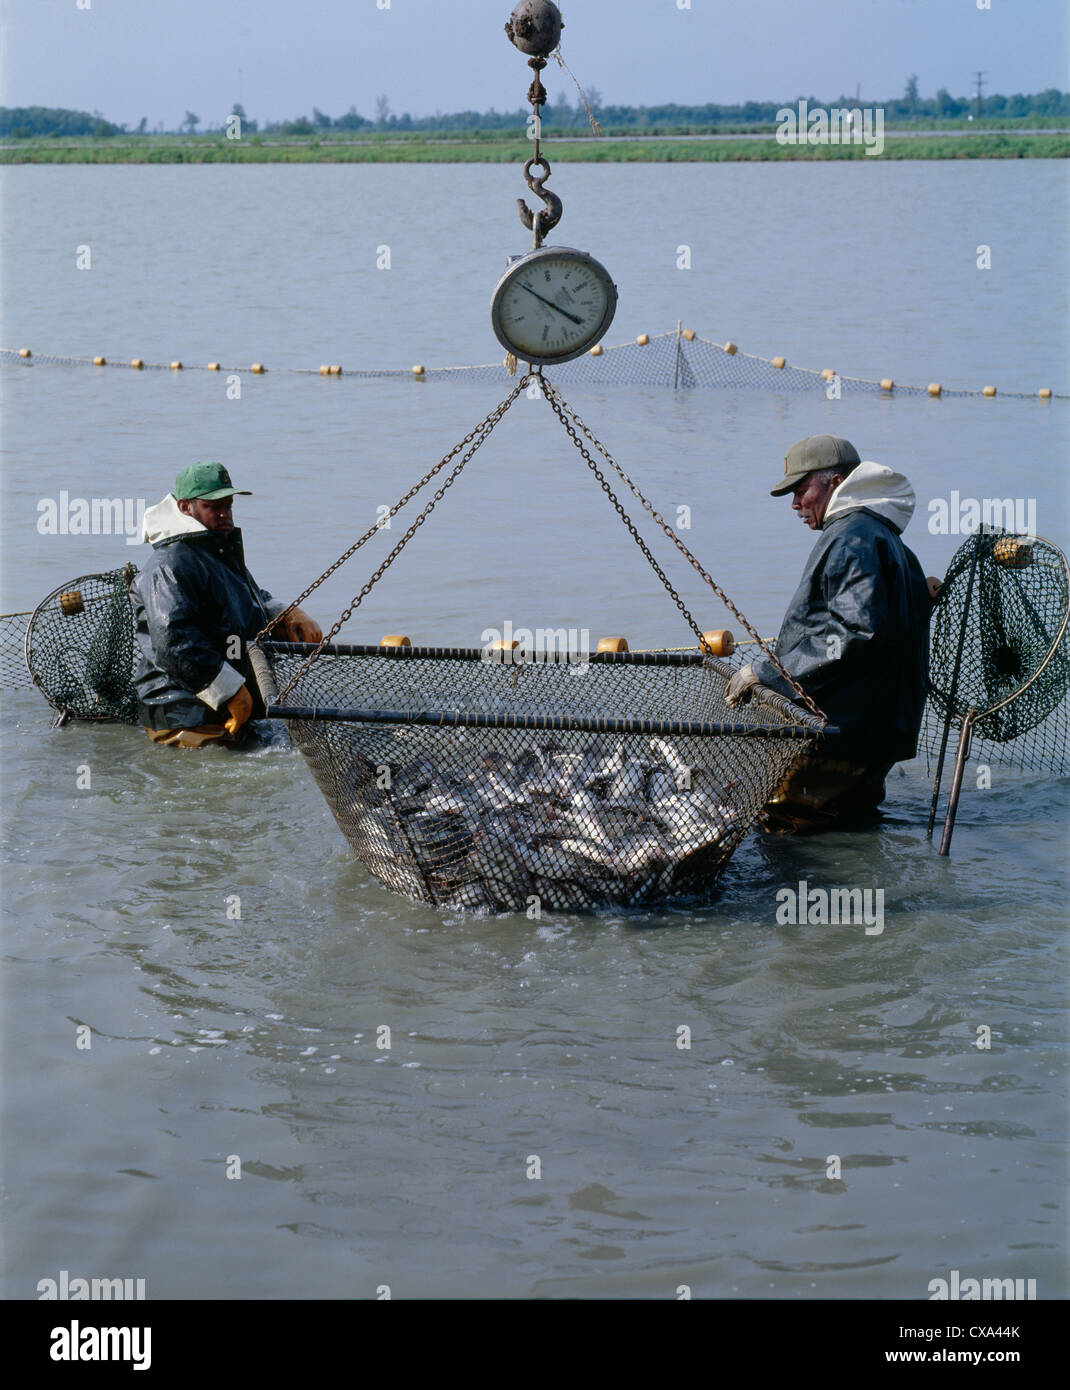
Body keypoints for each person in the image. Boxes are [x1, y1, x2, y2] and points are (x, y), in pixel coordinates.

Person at [724, 434, 934, 833]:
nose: (795, 504)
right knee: (851, 828)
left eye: (801, 489)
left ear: (835, 483)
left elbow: (855, 633)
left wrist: (766, 674)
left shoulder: (850, 537)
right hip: (874, 736)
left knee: (789, 830)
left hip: (838, 733)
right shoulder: (886, 537)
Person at [132, 462, 322, 747]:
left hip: (224, 707)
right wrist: (231, 693)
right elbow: (175, 642)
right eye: (213, 506)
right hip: (183, 713)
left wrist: (284, 613)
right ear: (185, 507)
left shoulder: (215, 550)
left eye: (228, 504)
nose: (225, 514)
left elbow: (246, 597)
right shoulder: (168, 565)